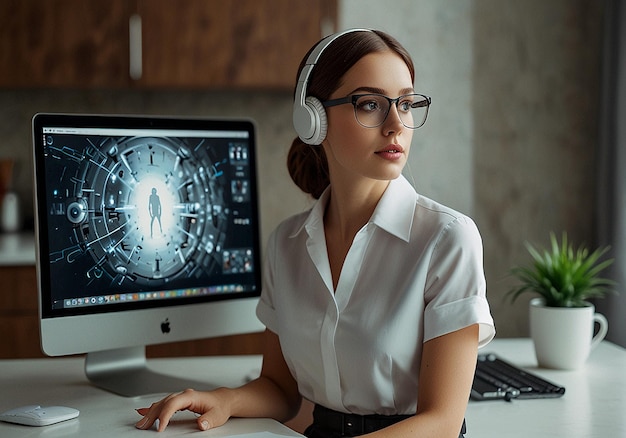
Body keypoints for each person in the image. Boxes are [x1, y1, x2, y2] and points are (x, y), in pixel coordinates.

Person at [135, 28, 495, 438]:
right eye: (371, 104)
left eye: (407, 104)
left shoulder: (448, 238)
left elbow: (442, 423)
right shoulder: (285, 245)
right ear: (314, 119)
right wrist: (225, 399)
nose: (397, 124)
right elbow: (281, 391)